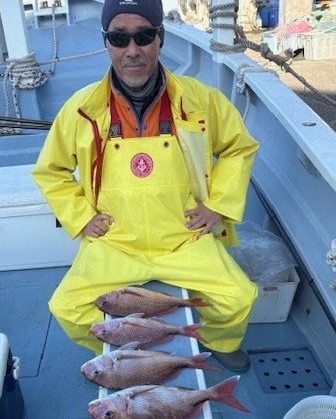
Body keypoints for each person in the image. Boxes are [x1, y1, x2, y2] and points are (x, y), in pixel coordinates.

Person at [32, 0, 259, 372]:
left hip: (184, 237)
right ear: (106, 42)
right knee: (67, 308)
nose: (132, 50)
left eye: (144, 36)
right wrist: (81, 217)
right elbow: (51, 170)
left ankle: (218, 341)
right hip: (116, 241)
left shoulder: (201, 100)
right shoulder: (80, 108)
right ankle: (120, 350)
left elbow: (238, 148)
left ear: (160, 38)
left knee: (238, 298)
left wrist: (217, 205)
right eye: (119, 38)